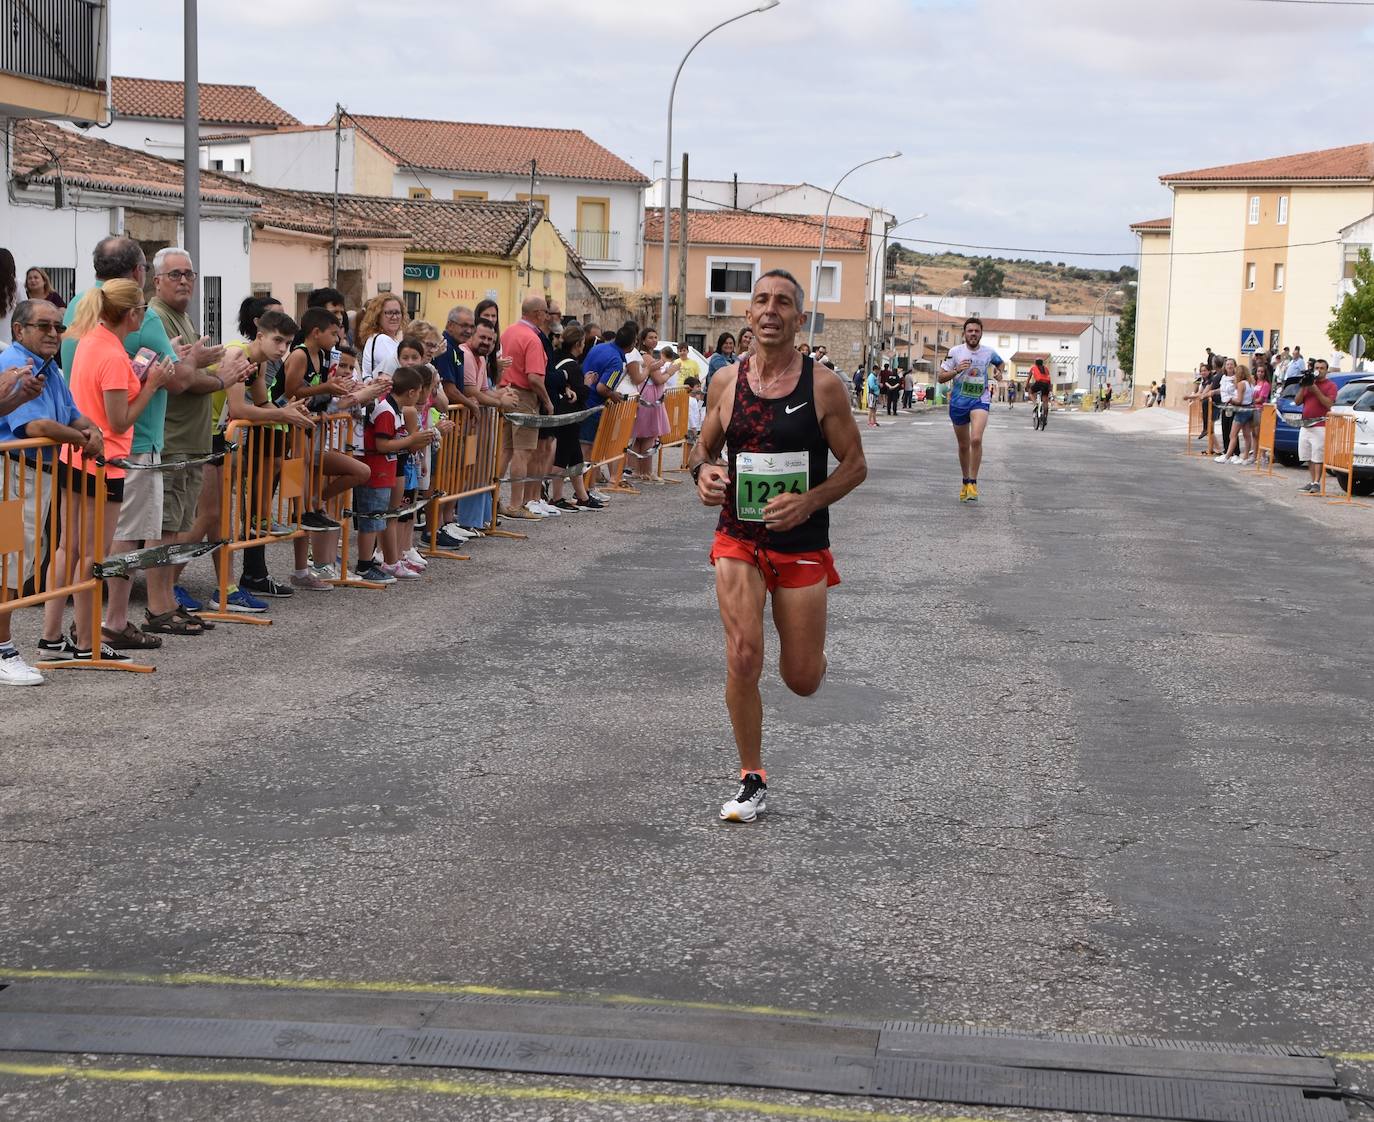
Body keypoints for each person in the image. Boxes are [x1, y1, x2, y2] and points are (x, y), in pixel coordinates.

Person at [688, 268, 866, 823]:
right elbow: (703, 446)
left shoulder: (823, 387)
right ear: (747, 315)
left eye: (783, 302)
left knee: (802, 678)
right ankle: (751, 776)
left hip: (801, 543)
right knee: (743, 655)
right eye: (761, 299)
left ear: (798, 317)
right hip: (738, 536)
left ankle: (808, 654)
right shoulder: (725, 382)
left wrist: (809, 501)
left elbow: (856, 466)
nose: (770, 309)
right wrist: (702, 471)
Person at [61, 238, 224, 650]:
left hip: (82, 440)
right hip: (133, 440)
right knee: (126, 537)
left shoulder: (78, 304)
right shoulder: (141, 315)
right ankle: (111, 621)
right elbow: (176, 377)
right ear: (139, 273)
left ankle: (81, 627)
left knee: (84, 543)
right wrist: (198, 364)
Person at [37, 279, 175, 663]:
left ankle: (52, 637)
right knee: (91, 556)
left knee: (67, 548)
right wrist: (152, 385)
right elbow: (118, 420)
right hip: (104, 463)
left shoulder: (89, 341)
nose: (145, 315)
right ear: (131, 314)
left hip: (74, 456)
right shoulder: (111, 354)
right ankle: (86, 643)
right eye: (143, 309)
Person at [0, 299, 103, 684]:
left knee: (21, 561)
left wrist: (91, 430)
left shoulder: (50, 368)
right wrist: (83, 438)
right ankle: (3, 649)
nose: (53, 334)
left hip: (36, 473)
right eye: (43, 326)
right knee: (8, 564)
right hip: (14, 472)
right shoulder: (13, 362)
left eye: (58, 327)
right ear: (19, 329)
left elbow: (70, 411)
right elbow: (34, 425)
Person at [149, 247, 250, 633]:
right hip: (172, 439)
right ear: (156, 280)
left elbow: (192, 370)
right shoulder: (157, 318)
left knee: (176, 525)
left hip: (192, 441)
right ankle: (160, 606)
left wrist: (214, 364)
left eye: (189, 274)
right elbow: (179, 380)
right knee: (165, 528)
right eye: (175, 274)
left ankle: (167, 601)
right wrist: (222, 378)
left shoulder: (183, 318)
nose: (184, 281)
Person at [216, 308, 316, 609]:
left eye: (287, 343)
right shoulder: (237, 355)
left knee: (217, 518)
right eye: (278, 341)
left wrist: (290, 412)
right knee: (210, 518)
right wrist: (281, 414)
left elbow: (261, 402)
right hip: (203, 432)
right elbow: (240, 409)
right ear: (260, 336)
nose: (283, 349)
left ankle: (230, 586)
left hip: (216, 434)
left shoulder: (259, 363)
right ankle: (184, 587)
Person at [281, 306, 371, 589]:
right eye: (333, 333)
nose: (336, 338)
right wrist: (326, 389)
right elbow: (289, 391)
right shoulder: (299, 354)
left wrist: (329, 396)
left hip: (312, 430)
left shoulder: (323, 356)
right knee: (299, 506)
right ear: (315, 332)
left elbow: (318, 394)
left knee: (358, 472)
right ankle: (300, 570)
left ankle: (316, 502)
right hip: (289, 432)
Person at [355, 365, 435, 582]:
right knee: (372, 519)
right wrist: (411, 440)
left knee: (381, 517)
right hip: (376, 469)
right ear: (411, 392)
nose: (420, 397)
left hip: (386, 469)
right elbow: (382, 445)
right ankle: (364, 565)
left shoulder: (395, 410)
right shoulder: (386, 411)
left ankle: (383, 562)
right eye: (419, 392)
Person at [497, 294, 554, 520]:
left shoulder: (509, 332)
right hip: (524, 397)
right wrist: (547, 400)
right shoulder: (532, 338)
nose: (547, 316)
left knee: (506, 450)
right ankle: (515, 504)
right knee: (523, 452)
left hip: (505, 393)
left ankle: (492, 499)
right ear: (538, 313)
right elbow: (534, 377)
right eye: (546, 312)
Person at [938, 317, 1006, 502]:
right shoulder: (955, 352)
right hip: (959, 402)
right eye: (970, 331)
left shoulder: (988, 352)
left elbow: (1000, 364)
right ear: (964, 334)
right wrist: (957, 370)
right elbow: (940, 377)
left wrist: (999, 372)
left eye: (976, 331)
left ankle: (973, 482)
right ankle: (965, 481)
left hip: (980, 400)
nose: (973, 334)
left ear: (981, 333)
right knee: (963, 445)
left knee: (976, 439)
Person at [546, 323, 599, 511]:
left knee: (576, 458)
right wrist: (587, 384)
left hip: (567, 416)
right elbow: (581, 394)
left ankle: (583, 496)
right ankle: (557, 497)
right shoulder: (573, 366)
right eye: (583, 342)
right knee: (561, 457)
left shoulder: (558, 359)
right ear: (578, 344)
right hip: (568, 417)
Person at [580, 320, 635, 498]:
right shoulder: (616, 362)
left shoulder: (599, 347)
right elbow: (602, 388)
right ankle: (587, 489)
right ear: (632, 345)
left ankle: (587, 487)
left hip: (582, 399)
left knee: (586, 449)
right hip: (593, 406)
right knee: (589, 449)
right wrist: (614, 395)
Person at [629, 325, 671, 483]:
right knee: (648, 435)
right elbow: (658, 379)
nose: (654, 340)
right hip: (649, 396)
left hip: (648, 394)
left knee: (641, 435)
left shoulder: (646, 355)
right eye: (650, 337)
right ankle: (645, 471)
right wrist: (670, 372)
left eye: (655, 337)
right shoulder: (647, 357)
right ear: (644, 341)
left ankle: (638, 470)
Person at [1295, 359, 1337, 493]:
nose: (1319, 370)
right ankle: (1312, 481)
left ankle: (1317, 482)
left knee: (1318, 455)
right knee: (1307, 455)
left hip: (1320, 424)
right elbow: (1297, 402)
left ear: (1326, 370)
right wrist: (1303, 387)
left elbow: (1328, 404)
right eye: (1317, 367)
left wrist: (1316, 390)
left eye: (1322, 368)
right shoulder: (1309, 383)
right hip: (1306, 424)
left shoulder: (1331, 386)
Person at [357, 292, 408, 383]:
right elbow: (403, 369)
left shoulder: (389, 340)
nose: (394, 317)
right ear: (377, 316)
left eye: (397, 312)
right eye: (389, 313)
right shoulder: (382, 340)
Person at [1217, 362, 1253, 464]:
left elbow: (1239, 400)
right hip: (1249, 410)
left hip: (1241, 411)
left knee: (1232, 435)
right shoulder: (1249, 383)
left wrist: (1231, 400)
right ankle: (1245, 457)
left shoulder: (1241, 384)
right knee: (1247, 435)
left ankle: (1227, 456)